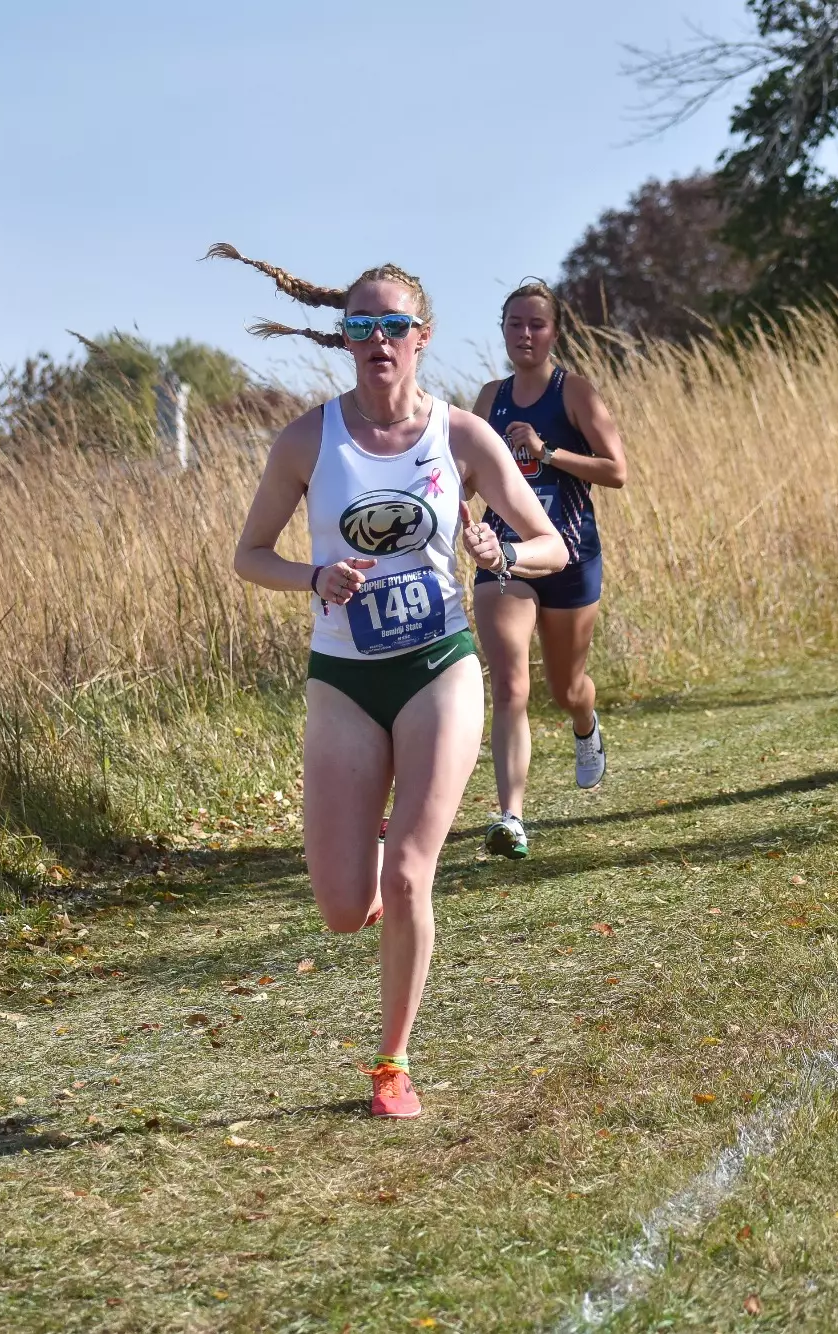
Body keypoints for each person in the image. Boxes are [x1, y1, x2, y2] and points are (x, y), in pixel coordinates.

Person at [213, 243, 567, 1119]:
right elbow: (248, 556)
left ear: (422, 337)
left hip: (438, 667)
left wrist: (500, 551)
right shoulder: (308, 439)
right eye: (361, 325)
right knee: (343, 908)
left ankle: (392, 1065)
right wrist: (311, 577)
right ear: (345, 339)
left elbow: (554, 547)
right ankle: (371, 841)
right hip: (342, 676)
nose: (377, 339)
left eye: (393, 326)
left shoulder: (463, 435)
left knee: (411, 875)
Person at [471, 280, 628, 859]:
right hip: (506, 555)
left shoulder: (574, 392)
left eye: (537, 324)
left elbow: (616, 471)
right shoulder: (490, 397)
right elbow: (468, 473)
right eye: (515, 324)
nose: (526, 334)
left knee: (566, 689)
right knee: (510, 684)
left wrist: (545, 451)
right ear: (504, 330)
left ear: (554, 332)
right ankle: (510, 816)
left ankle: (585, 725)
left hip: (570, 554)